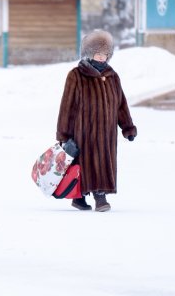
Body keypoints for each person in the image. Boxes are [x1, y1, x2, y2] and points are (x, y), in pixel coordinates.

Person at [56, 30, 137, 212]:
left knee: (103, 161)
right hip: (83, 132)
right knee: (85, 163)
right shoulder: (76, 75)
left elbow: (121, 105)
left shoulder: (112, 77)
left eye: (105, 54)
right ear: (89, 54)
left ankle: (82, 198)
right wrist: (63, 134)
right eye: (98, 54)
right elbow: (66, 106)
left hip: (107, 133)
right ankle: (98, 197)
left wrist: (128, 128)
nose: (101, 58)